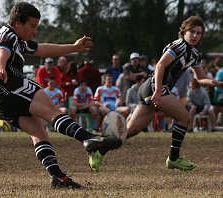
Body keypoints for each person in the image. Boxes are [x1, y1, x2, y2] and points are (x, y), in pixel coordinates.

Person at [0, 2, 121, 189]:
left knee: (39, 131)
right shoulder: (7, 36)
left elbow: (41, 49)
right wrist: (0, 68)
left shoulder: (16, 37)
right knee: (52, 111)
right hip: (11, 86)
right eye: (32, 26)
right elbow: (2, 52)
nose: (34, 31)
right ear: (17, 22)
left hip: (1, 98)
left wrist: (73, 47)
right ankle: (88, 138)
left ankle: (58, 178)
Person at [88, 16, 223, 172]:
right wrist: (158, 90)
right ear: (184, 31)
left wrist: (216, 83)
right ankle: (173, 158)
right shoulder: (178, 46)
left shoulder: (194, 54)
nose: (195, 35)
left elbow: (201, 78)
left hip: (151, 89)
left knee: (130, 131)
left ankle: (98, 149)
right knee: (184, 117)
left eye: (199, 33)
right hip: (155, 88)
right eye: (192, 31)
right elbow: (160, 65)